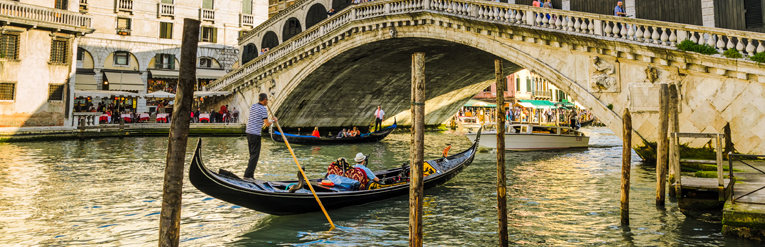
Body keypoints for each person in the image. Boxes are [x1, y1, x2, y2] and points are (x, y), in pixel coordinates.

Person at [244, 93, 277, 180]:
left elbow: (260, 119)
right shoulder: (263, 109)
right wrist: (273, 120)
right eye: (267, 100)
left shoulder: (253, 106)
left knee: (252, 155)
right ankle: (247, 175)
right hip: (255, 134)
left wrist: (271, 120)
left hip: (249, 132)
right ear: (265, 99)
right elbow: (266, 124)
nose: (267, 102)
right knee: (255, 155)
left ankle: (250, 175)